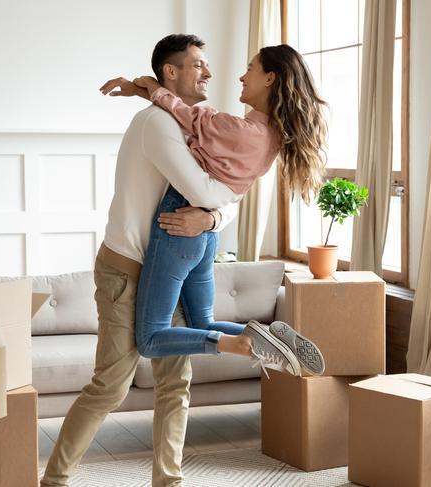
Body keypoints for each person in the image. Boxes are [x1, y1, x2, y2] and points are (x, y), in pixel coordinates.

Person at [40, 34, 303, 487]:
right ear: (172, 73)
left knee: (175, 382)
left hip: (170, 261)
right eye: (198, 64)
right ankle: (56, 479)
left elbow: (225, 198)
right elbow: (203, 192)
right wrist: (213, 211)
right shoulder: (157, 125)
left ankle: (169, 480)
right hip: (128, 265)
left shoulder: (196, 125)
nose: (210, 73)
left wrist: (213, 217)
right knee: (111, 385)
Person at [100, 43, 328, 376]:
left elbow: (188, 119)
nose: (240, 75)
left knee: (150, 339)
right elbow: (228, 195)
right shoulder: (271, 136)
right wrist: (213, 220)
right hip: (205, 236)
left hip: (179, 224)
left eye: (250, 68)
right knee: (203, 321)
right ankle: (268, 337)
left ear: (269, 78)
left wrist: (147, 87)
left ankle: (236, 344)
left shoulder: (239, 130)